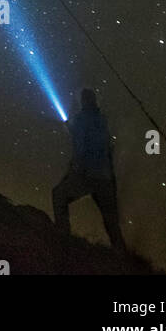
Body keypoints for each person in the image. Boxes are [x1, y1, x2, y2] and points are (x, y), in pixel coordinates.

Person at [52, 88, 125, 250]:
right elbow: (106, 149)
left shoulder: (81, 120)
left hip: (88, 176)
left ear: (82, 102)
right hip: (105, 178)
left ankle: (63, 242)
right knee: (111, 223)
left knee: (59, 196)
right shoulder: (102, 120)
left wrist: (74, 172)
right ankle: (124, 258)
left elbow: (81, 149)